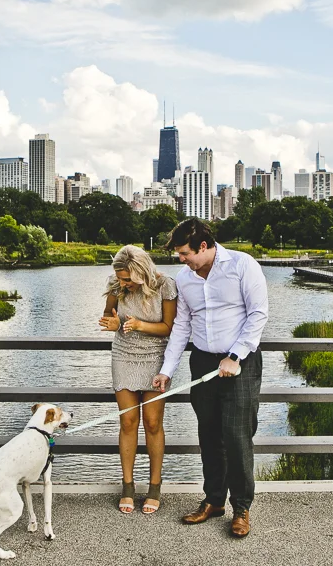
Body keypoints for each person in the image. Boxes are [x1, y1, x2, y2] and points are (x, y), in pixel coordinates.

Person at [152, 218, 268, 538]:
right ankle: (214, 500)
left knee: (237, 438)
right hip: (202, 363)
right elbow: (181, 326)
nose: (181, 259)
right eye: (178, 254)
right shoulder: (185, 278)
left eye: (184, 253)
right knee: (209, 435)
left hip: (238, 363)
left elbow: (258, 314)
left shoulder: (243, 265)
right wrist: (166, 369)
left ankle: (241, 508)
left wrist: (235, 355)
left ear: (203, 247)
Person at [99, 245, 177, 515]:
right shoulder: (116, 284)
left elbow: (168, 327)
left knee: (153, 423)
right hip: (123, 356)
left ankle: (155, 486)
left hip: (156, 357)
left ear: (142, 273)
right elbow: (110, 317)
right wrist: (113, 324)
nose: (123, 283)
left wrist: (140, 325)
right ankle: (128, 486)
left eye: (128, 279)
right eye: (120, 278)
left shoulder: (165, 285)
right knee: (128, 420)